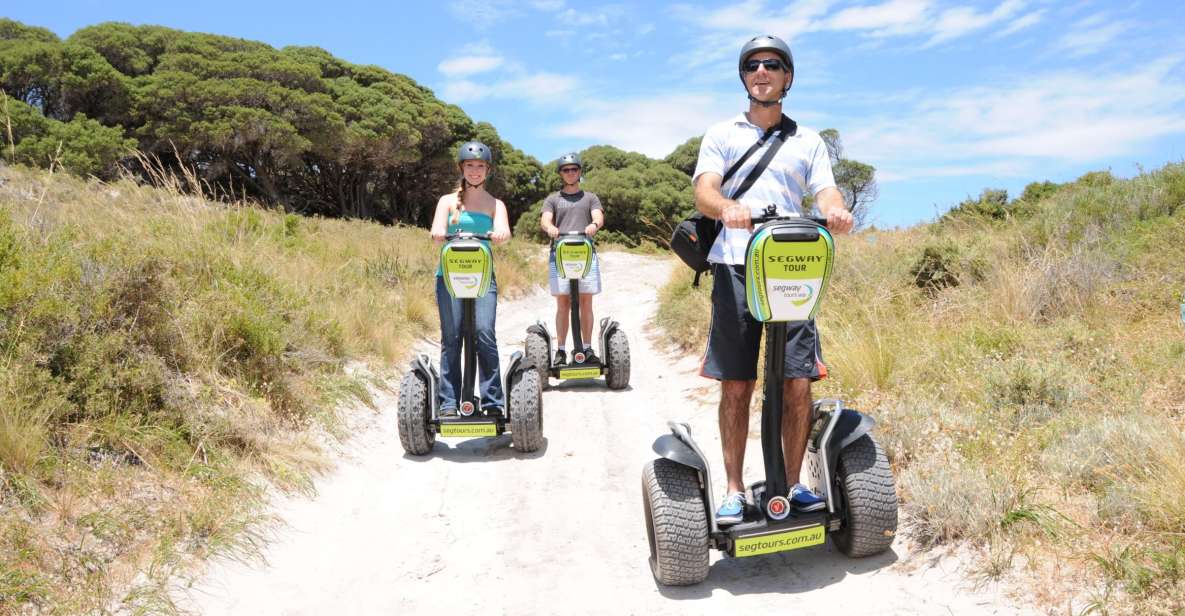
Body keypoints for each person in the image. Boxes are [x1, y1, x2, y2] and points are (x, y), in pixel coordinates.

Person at [692, 35, 854, 525]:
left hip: (791, 267)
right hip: (736, 264)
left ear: (787, 76)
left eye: (773, 65)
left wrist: (836, 211)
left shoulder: (807, 140)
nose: (762, 72)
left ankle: (795, 483)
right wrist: (728, 209)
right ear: (744, 76)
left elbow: (825, 192)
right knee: (737, 383)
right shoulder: (722, 133)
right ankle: (736, 489)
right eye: (753, 65)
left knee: (797, 382)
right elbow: (705, 191)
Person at [429, 141, 513, 416]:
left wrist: (500, 234)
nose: (475, 171)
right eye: (470, 166)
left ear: (488, 170)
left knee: (484, 334)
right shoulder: (447, 201)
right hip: (450, 276)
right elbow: (436, 230)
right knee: (451, 338)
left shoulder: (495, 204)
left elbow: (504, 232)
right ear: (461, 168)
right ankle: (450, 403)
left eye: (480, 166)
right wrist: (440, 233)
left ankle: (492, 403)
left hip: (482, 276)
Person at [539, 152, 605, 365]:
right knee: (563, 304)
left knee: (586, 302)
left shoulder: (590, 197)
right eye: (566, 170)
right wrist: (550, 228)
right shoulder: (553, 199)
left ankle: (586, 348)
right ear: (560, 173)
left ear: (580, 172)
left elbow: (598, 216)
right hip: (560, 255)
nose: (570, 173)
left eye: (574, 169)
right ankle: (560, 351)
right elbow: (545, 220)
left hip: (584, 254)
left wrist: (593, 225)